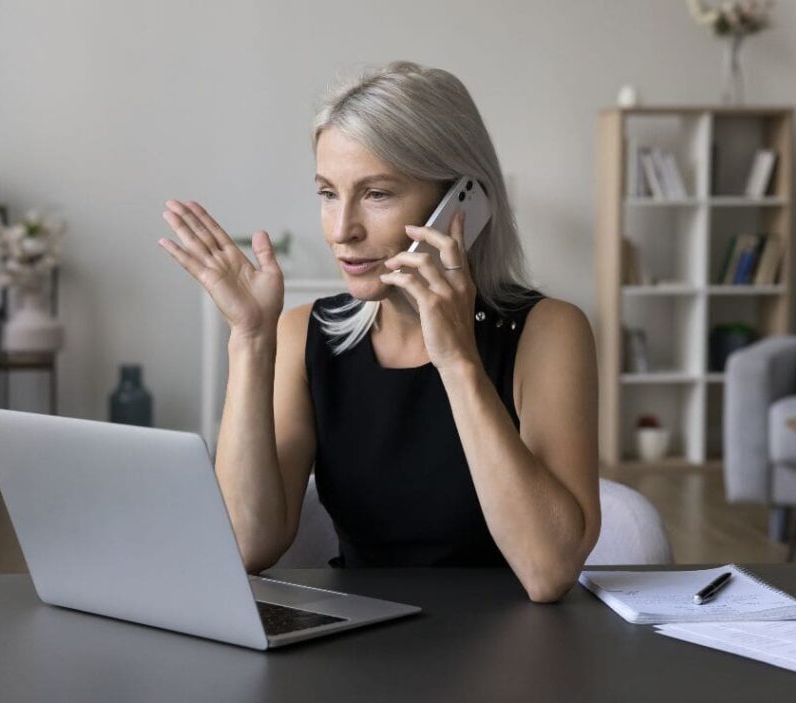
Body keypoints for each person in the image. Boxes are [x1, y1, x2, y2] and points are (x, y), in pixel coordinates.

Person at [159, 61, 599, 603]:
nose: (342, 229)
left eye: (378, 194)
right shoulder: (305, 338)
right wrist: (251, 339)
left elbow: (548, 570)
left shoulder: (549, 333)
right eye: (327, 193)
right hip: (356, 650)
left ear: (465, 202)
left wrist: (458, 362)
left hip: (512, 656)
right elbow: (246, 544)